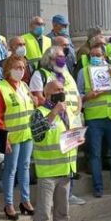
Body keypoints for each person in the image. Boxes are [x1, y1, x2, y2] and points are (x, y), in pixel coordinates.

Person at [27, 80, 82, 221]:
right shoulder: (39, 113)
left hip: (65, 171)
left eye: (62, 90)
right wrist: (53, 113)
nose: (61, 92)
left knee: (62, 213)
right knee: (42, 214)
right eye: (57, 90)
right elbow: (37, 134)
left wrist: (78, 137)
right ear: (47, 93)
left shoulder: (69, 113)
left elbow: (73, 135)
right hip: (48, 174)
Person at [29, 47, 86, 206]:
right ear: (50, 59)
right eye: (59, 57)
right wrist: (53, 111)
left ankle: (70, 193)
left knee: (70, 158)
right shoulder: (41, 74)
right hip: (52, 118)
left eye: (64, 56)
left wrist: (77, 115)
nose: (63, 59)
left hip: (70, 120)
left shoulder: (66, 74)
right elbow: (39, 97)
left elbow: (75, 95)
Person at [76, 45, 111, 197]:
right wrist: (87, 96)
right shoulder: (83, 71)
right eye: (92, 55)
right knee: (95, 154)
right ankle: (98, 188)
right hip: (94, 118)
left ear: (104, 56)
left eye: (98, 54)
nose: (95, 57)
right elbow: (78, 95)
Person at [0, 55, 35, 220]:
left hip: (27, 134)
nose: (20, 71)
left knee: (24, 167)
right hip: (10, 136)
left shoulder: (24, 86)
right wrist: (5, 139)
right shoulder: (0, 87)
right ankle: (8, 203)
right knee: (10, 170)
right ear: (8, 69)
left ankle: (25, 200)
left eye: (23, 68)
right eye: (17, 67)